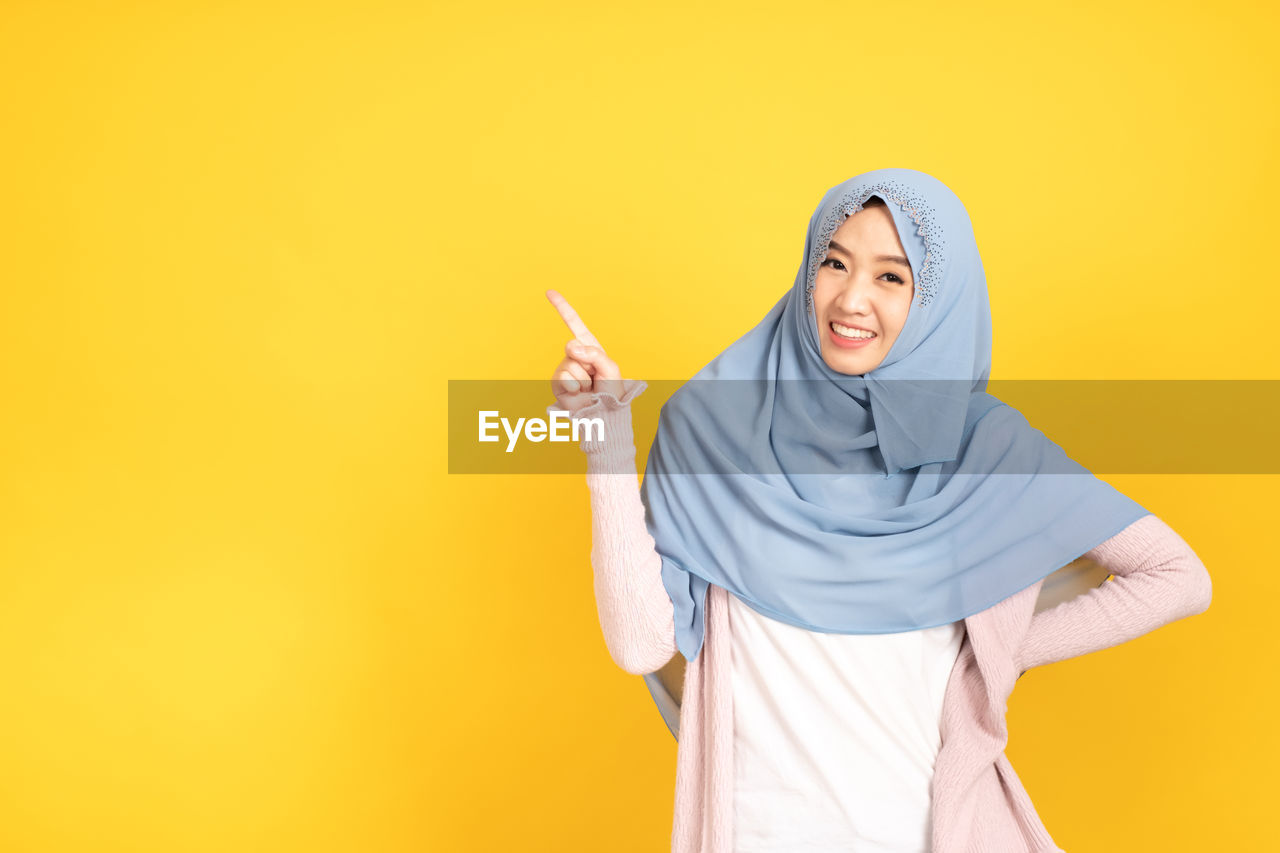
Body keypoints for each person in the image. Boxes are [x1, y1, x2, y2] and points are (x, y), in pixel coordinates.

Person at [544, 167, 1212, 852]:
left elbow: (1178, 576)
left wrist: (998, 655)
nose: (851, 298)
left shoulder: (983, 449)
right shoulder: (714, 428)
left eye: (891, 277)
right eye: (834, 263)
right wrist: (605, 438)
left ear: (937, 301)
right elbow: (640, 646)